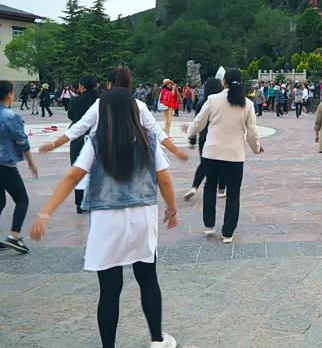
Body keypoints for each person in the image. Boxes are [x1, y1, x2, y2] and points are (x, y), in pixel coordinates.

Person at [30, 88, 178, 348]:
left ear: (105, 113)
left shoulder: (97, 141)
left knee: (109, 290)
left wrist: (46, 212)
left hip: (106, 220)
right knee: (148, 278)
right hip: (142, 217)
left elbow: (72, 177)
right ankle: (157, 339)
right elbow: (164, 178)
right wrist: (172, 209)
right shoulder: (148, 140)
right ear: (133, 111)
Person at [39, 68, 188, 162]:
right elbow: (157, 132)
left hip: (105, 160)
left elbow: (79, 128)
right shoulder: (139, 106)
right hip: (130, 160)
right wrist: (176, 151)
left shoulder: (100, 103)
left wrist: (53, 145)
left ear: (110, 84)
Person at [186, 69, 263, 242]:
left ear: (224, 82)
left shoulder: (213, 100)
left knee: (210, 187)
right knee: (233, 193)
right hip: (234, 156)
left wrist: (190, 133)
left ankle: (209, 225)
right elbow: (252, 133)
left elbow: (199, 122)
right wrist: (256, 148)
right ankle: (228, 233)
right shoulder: (247, 104)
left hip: (212, 153)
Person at [0, 80, 38, 253]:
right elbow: (22, 141)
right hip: (4, 165)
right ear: (10, 94)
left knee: (0, 201)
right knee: (22, 199)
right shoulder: (10, 116)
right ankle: (14, 236)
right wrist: (31, 163)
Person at [183, 78, 226, 202]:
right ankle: (221, 189)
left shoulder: (201, 103)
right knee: (222, 163)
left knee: (204, 164)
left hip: (203, 138)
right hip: (218, 137)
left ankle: (194, 187)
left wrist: (192, 140)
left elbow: (196, 123)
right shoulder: (223, 103)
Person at [68, 75, 100, 214]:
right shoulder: (100, 100)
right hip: (97, 136)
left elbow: (71, 115)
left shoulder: (75, 101)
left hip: (79, 136)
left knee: (78, 168)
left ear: (82, 86)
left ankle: (80, 203)